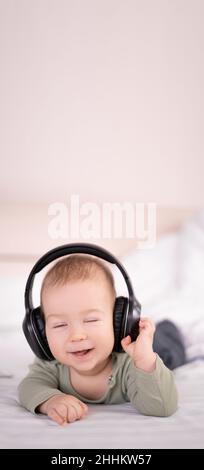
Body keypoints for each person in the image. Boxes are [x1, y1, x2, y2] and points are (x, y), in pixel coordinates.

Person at [18, 254, 178, 426]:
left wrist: (145, 359)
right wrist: (50, 401)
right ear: (40, 332)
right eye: (59, 325)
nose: (76, 335)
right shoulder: (50, 365)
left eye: (91, 320)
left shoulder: (131, 363)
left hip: (158, 346)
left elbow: (161, 407)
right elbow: (29, 387)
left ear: (118, 321)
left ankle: (168, 327)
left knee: (168, 351)